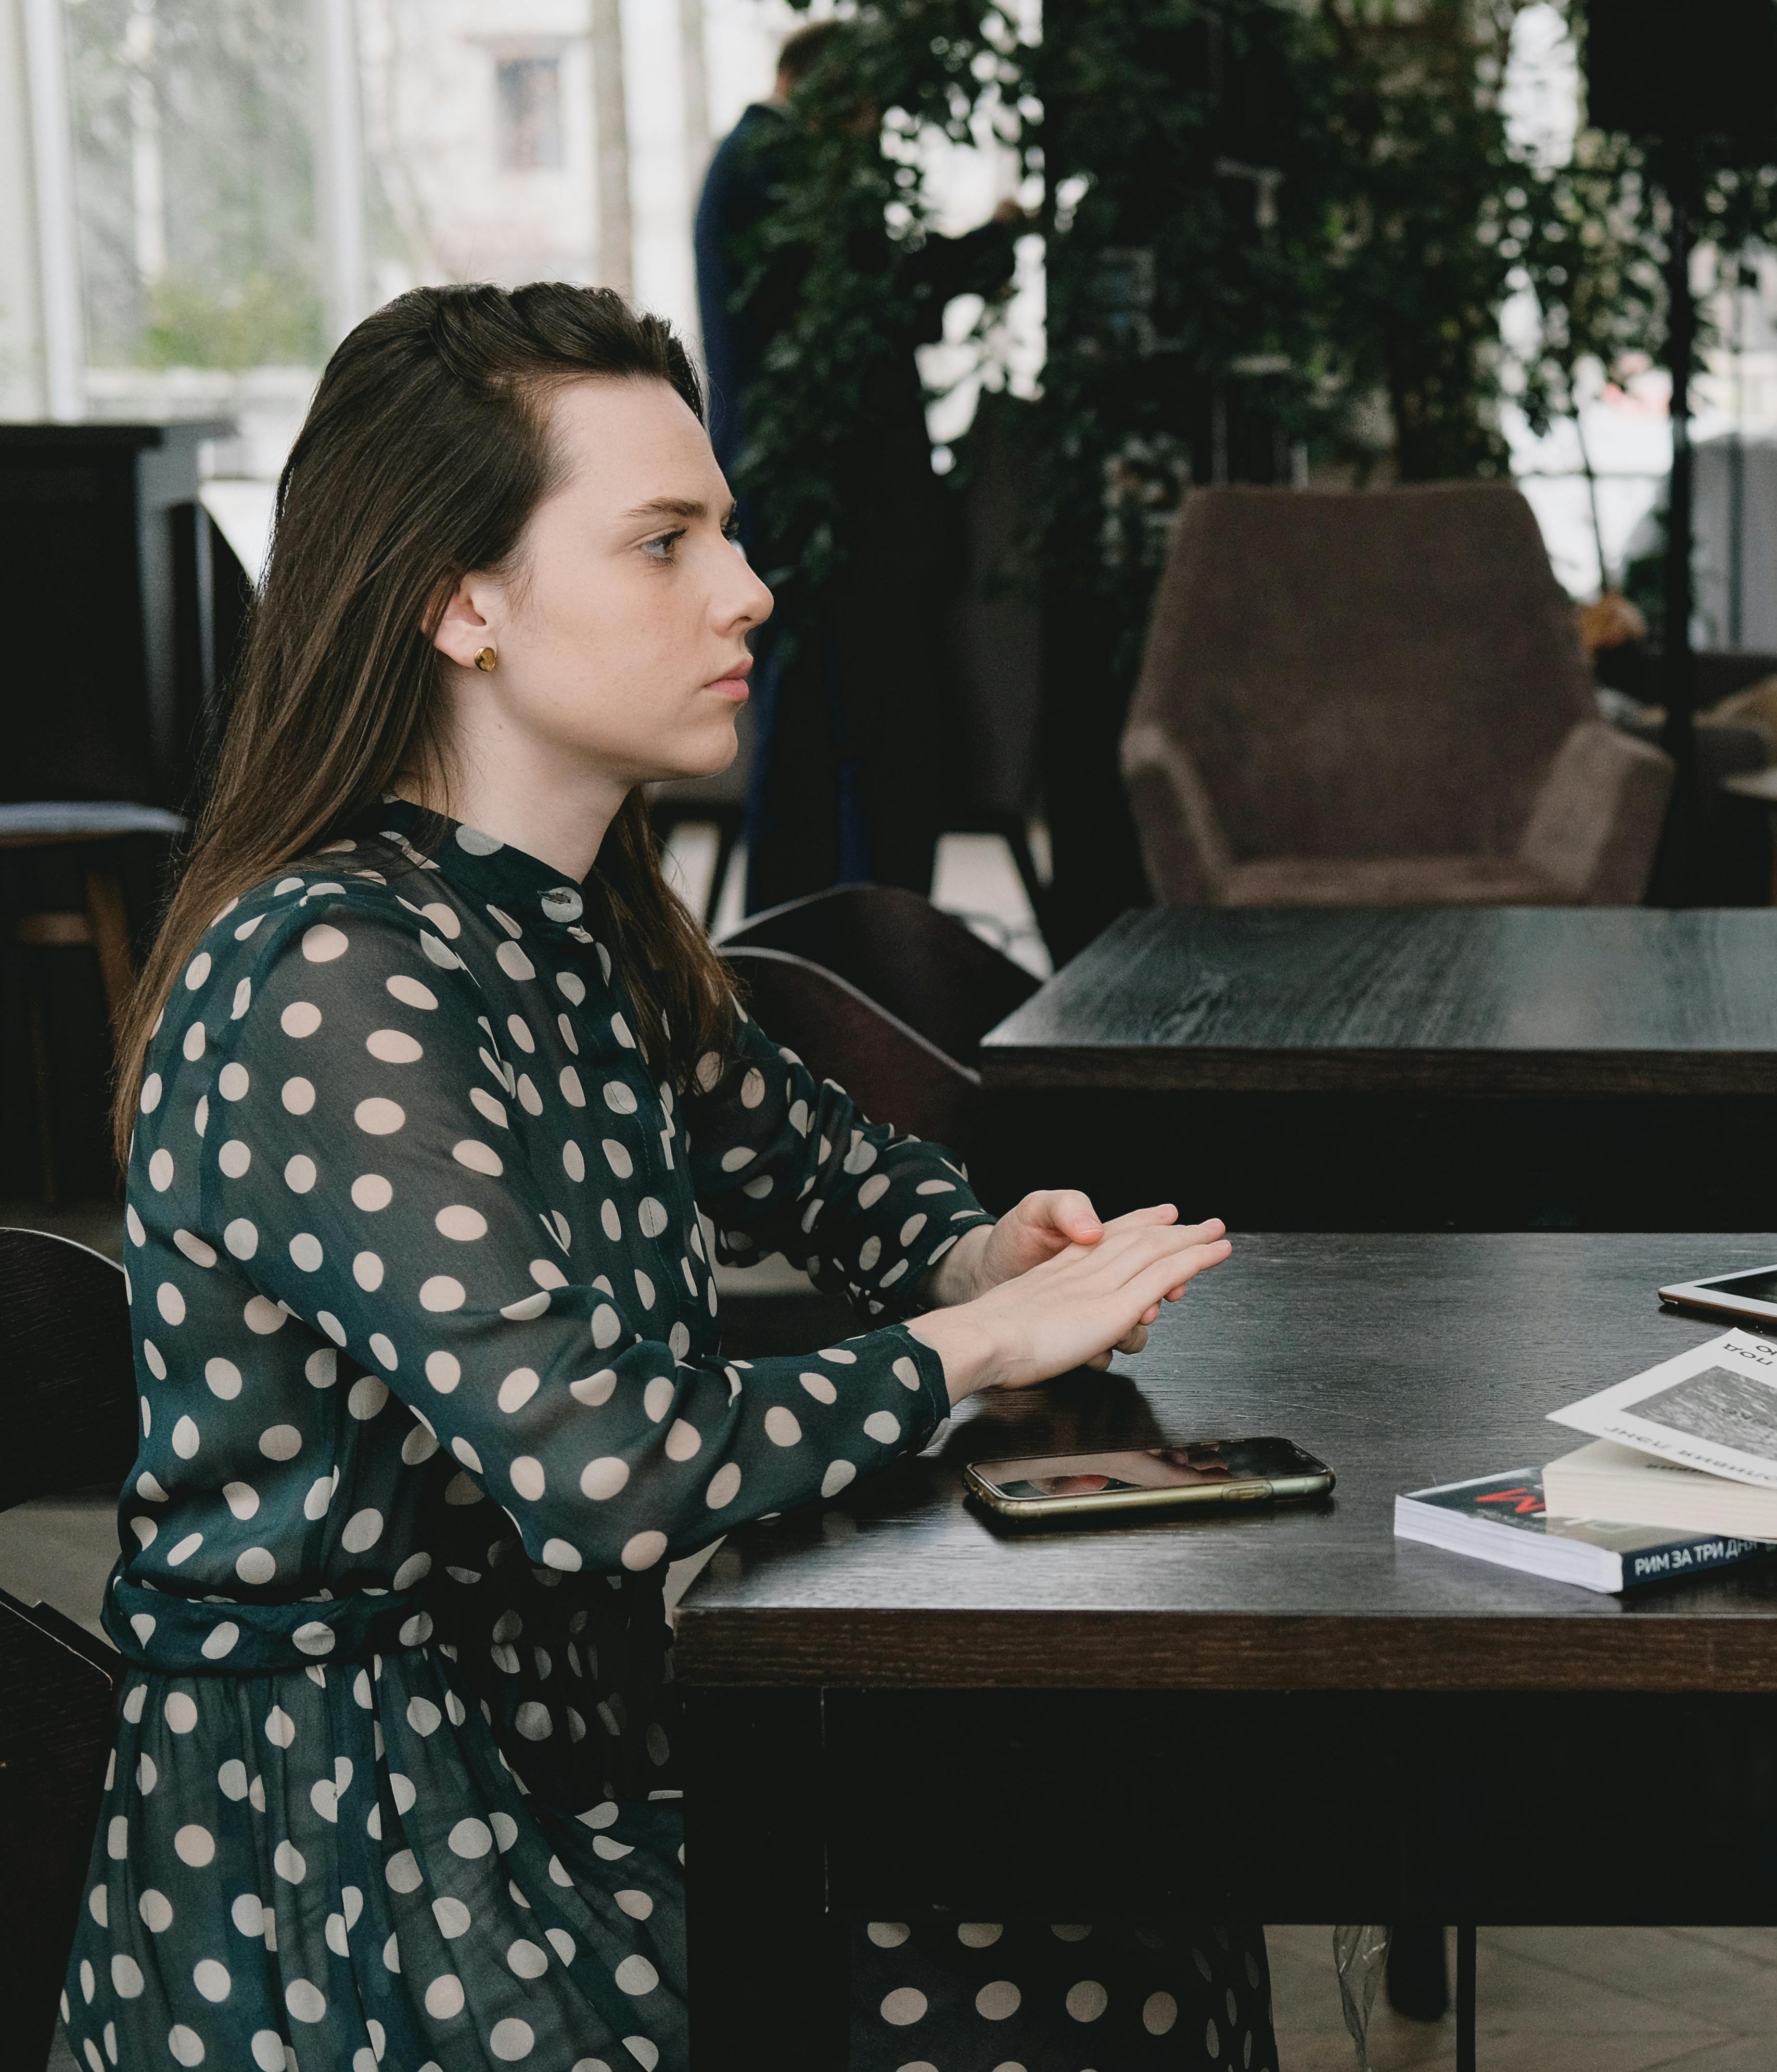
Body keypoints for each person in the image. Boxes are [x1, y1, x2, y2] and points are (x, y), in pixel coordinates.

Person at [58, 282, 1272, 2072]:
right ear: (461, 600)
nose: (748, 591)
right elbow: (600, 1468)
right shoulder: (329, 974)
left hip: (576, 1770)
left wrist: (978, 1249)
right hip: (360, 1875)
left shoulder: (581, 934)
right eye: (663, 542)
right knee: (1090, 1967)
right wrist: (976, 1348)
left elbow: (846, 1181)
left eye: (726, 530)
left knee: (1142, 1871)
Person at [690, 19, 1024, 914]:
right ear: (836, 92)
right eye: (872, 108)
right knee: (859, 728)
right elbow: (867, 308)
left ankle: (831, 938)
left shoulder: (758, 163)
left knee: (832, 725)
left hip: (812, 496)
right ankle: (852, 939)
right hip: (832, 503)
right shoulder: (777, 165)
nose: (877, 129)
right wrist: (982, 248)